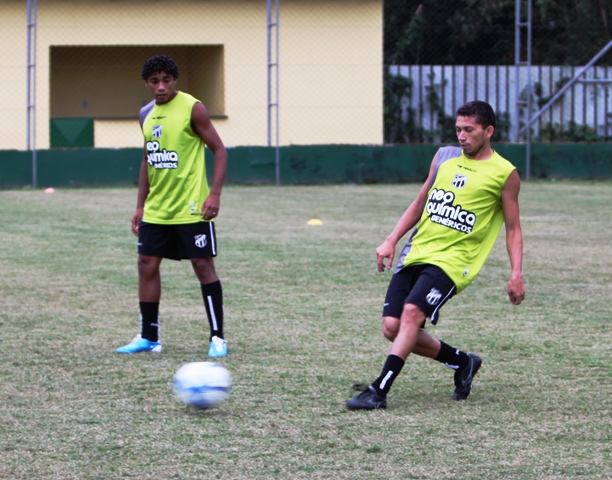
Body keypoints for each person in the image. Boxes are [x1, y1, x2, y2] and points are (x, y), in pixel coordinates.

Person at [347, 100, 525, 410]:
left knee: (412, 316)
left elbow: (513, 228)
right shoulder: (444, 157)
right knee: (392, 326)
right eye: (458, 129)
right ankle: (463, 362)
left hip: (454, 262)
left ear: (488, 131)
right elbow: (420, 202)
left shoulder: (504, 173)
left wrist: (516, 273)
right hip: (417, 252)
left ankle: (378, 391)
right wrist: (391, 240)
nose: (462, 136)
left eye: (469, 130)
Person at [116, 55, 229, 357]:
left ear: (175, 80)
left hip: (192, 207)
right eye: (155, 81)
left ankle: (217, 337)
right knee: (146, 265)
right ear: (147, 83)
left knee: (203, 265)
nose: (161, 86)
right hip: (157, 209)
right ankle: (149, 336)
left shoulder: (194, 108)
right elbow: (146, 160)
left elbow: (219, 150)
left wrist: (214, 194)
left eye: (166, 80)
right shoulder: (145, 114)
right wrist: (140, 206)